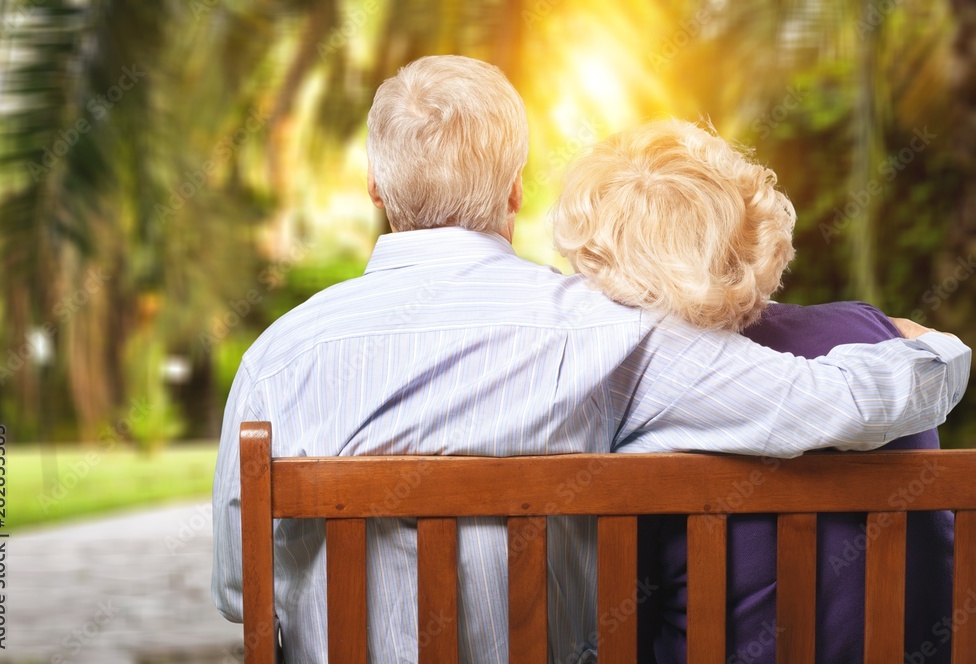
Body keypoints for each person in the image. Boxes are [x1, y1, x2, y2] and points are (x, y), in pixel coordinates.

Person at [212, 57, 970, 664]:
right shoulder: (603, 331)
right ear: (513, 191)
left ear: (376, 187)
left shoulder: (278, 356)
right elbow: (831, 401)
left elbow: (241, 592)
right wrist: (935, 352)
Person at [549, 118, 961, 663]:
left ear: (600, 261)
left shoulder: (637, 392)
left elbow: (617, 631)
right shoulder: (877, 336)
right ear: (753, 225)